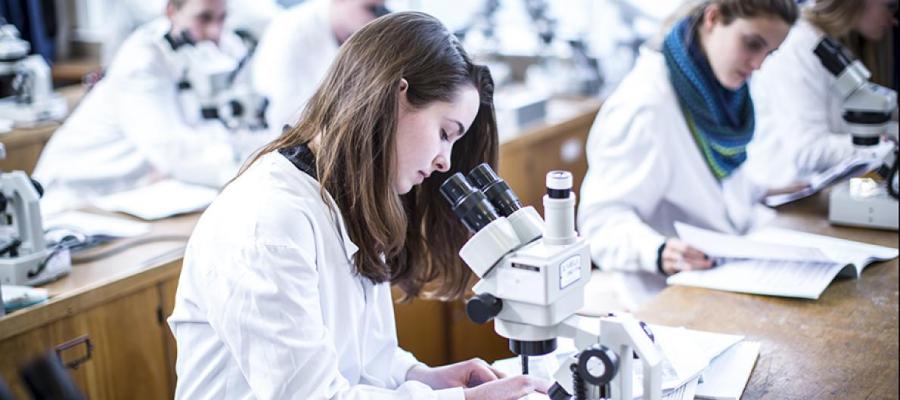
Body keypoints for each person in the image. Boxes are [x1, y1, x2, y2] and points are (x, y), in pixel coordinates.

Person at [168, 12, 549, 399]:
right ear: (397, 96)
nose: (445, 163)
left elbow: (363, 359)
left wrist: (421, 376)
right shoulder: (267, 222)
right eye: (444, 133)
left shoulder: (350, 197)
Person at [577, 0, 798, 278]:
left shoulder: (721, 93)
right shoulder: (647, 106)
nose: (758, 65)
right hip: (667, 293)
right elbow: (600, 223)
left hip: (729, 268)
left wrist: (767, 188)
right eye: (753, 44)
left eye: (770, 53)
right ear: (713, 18)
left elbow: (713, 189)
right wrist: (658, 251)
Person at [34, 0, 268, 214]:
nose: (215, 31)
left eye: (222, 18)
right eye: (203, 18)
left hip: (141, 194)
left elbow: (225, 127)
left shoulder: (224, 47)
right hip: (80, 196)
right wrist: (239, 169)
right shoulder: (142, 60)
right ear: (171, 12)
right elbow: (169, 150)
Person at [746, 0, 898, 187]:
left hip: (825, 189)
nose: (894, 20)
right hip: (791, 200)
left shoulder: (833, 40)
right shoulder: (798, 44)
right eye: (890, 6)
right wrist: (886, 145)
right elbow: (809, 150)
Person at [251, 0, 387, 134]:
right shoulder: (291, 33)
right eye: (370, 9)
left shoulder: (350, 32)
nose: (376, 19)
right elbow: (284, 114)